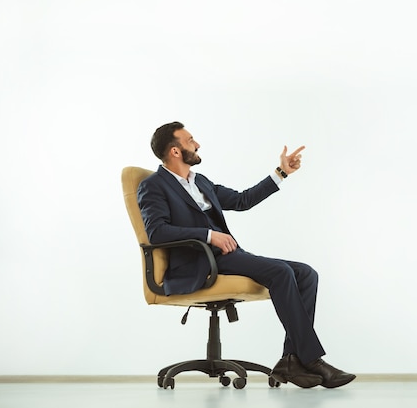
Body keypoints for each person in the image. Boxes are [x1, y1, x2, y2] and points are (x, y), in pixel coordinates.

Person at [137, 121, 355, 389]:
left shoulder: (200, 182)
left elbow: (242, 200)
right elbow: (157, 232)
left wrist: (281, 173)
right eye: (190, 140)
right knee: (281, 272)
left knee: (306, 274)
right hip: (198, 262)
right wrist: (208, 235)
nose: (197, 144)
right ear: (175, 151)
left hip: (226, 255)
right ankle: (311, 359)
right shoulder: (154, 186)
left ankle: (291, 359)